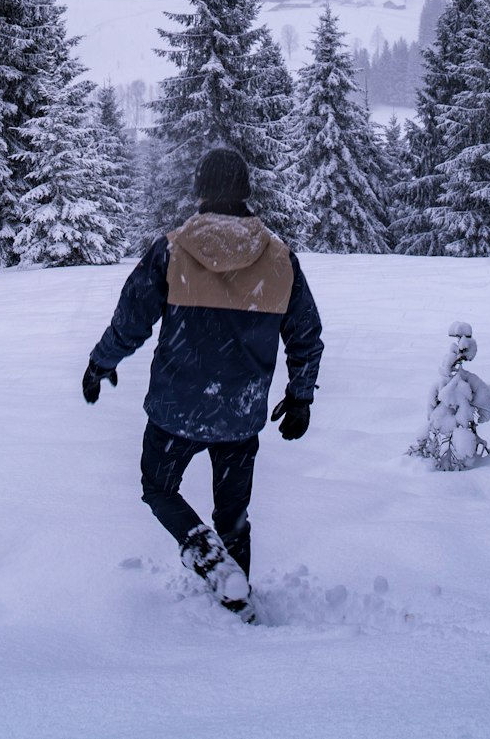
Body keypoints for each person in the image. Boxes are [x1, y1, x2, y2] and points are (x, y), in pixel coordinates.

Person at [82, 146, 323, 618]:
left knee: (158, 489)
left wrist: (101, 363)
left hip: (176, 409)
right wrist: (300, 397)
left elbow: (131, 320)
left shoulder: (171, 251)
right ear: (246, 191)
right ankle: (238, 599)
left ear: (199, 191)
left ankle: (212, 563)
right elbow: (306, 337)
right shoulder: (279, 259)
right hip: (239, 412)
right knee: (232, 516)